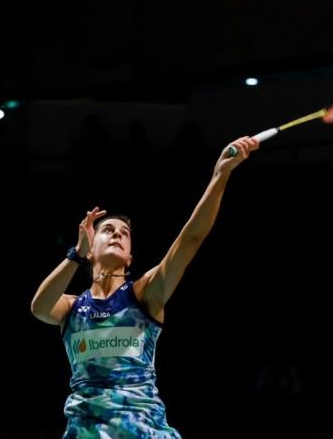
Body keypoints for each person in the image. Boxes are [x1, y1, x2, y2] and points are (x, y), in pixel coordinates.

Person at [31, 136, 259, 438]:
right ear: (90, 247)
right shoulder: (73, 308)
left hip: (143, 429)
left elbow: (190, 238)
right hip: (85, 430)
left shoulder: (143, 295)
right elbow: (39, 307)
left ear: (130, 257)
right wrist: (75, 254)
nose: (116, 235)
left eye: (124, 233)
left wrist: (220, 174)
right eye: (108, 230)